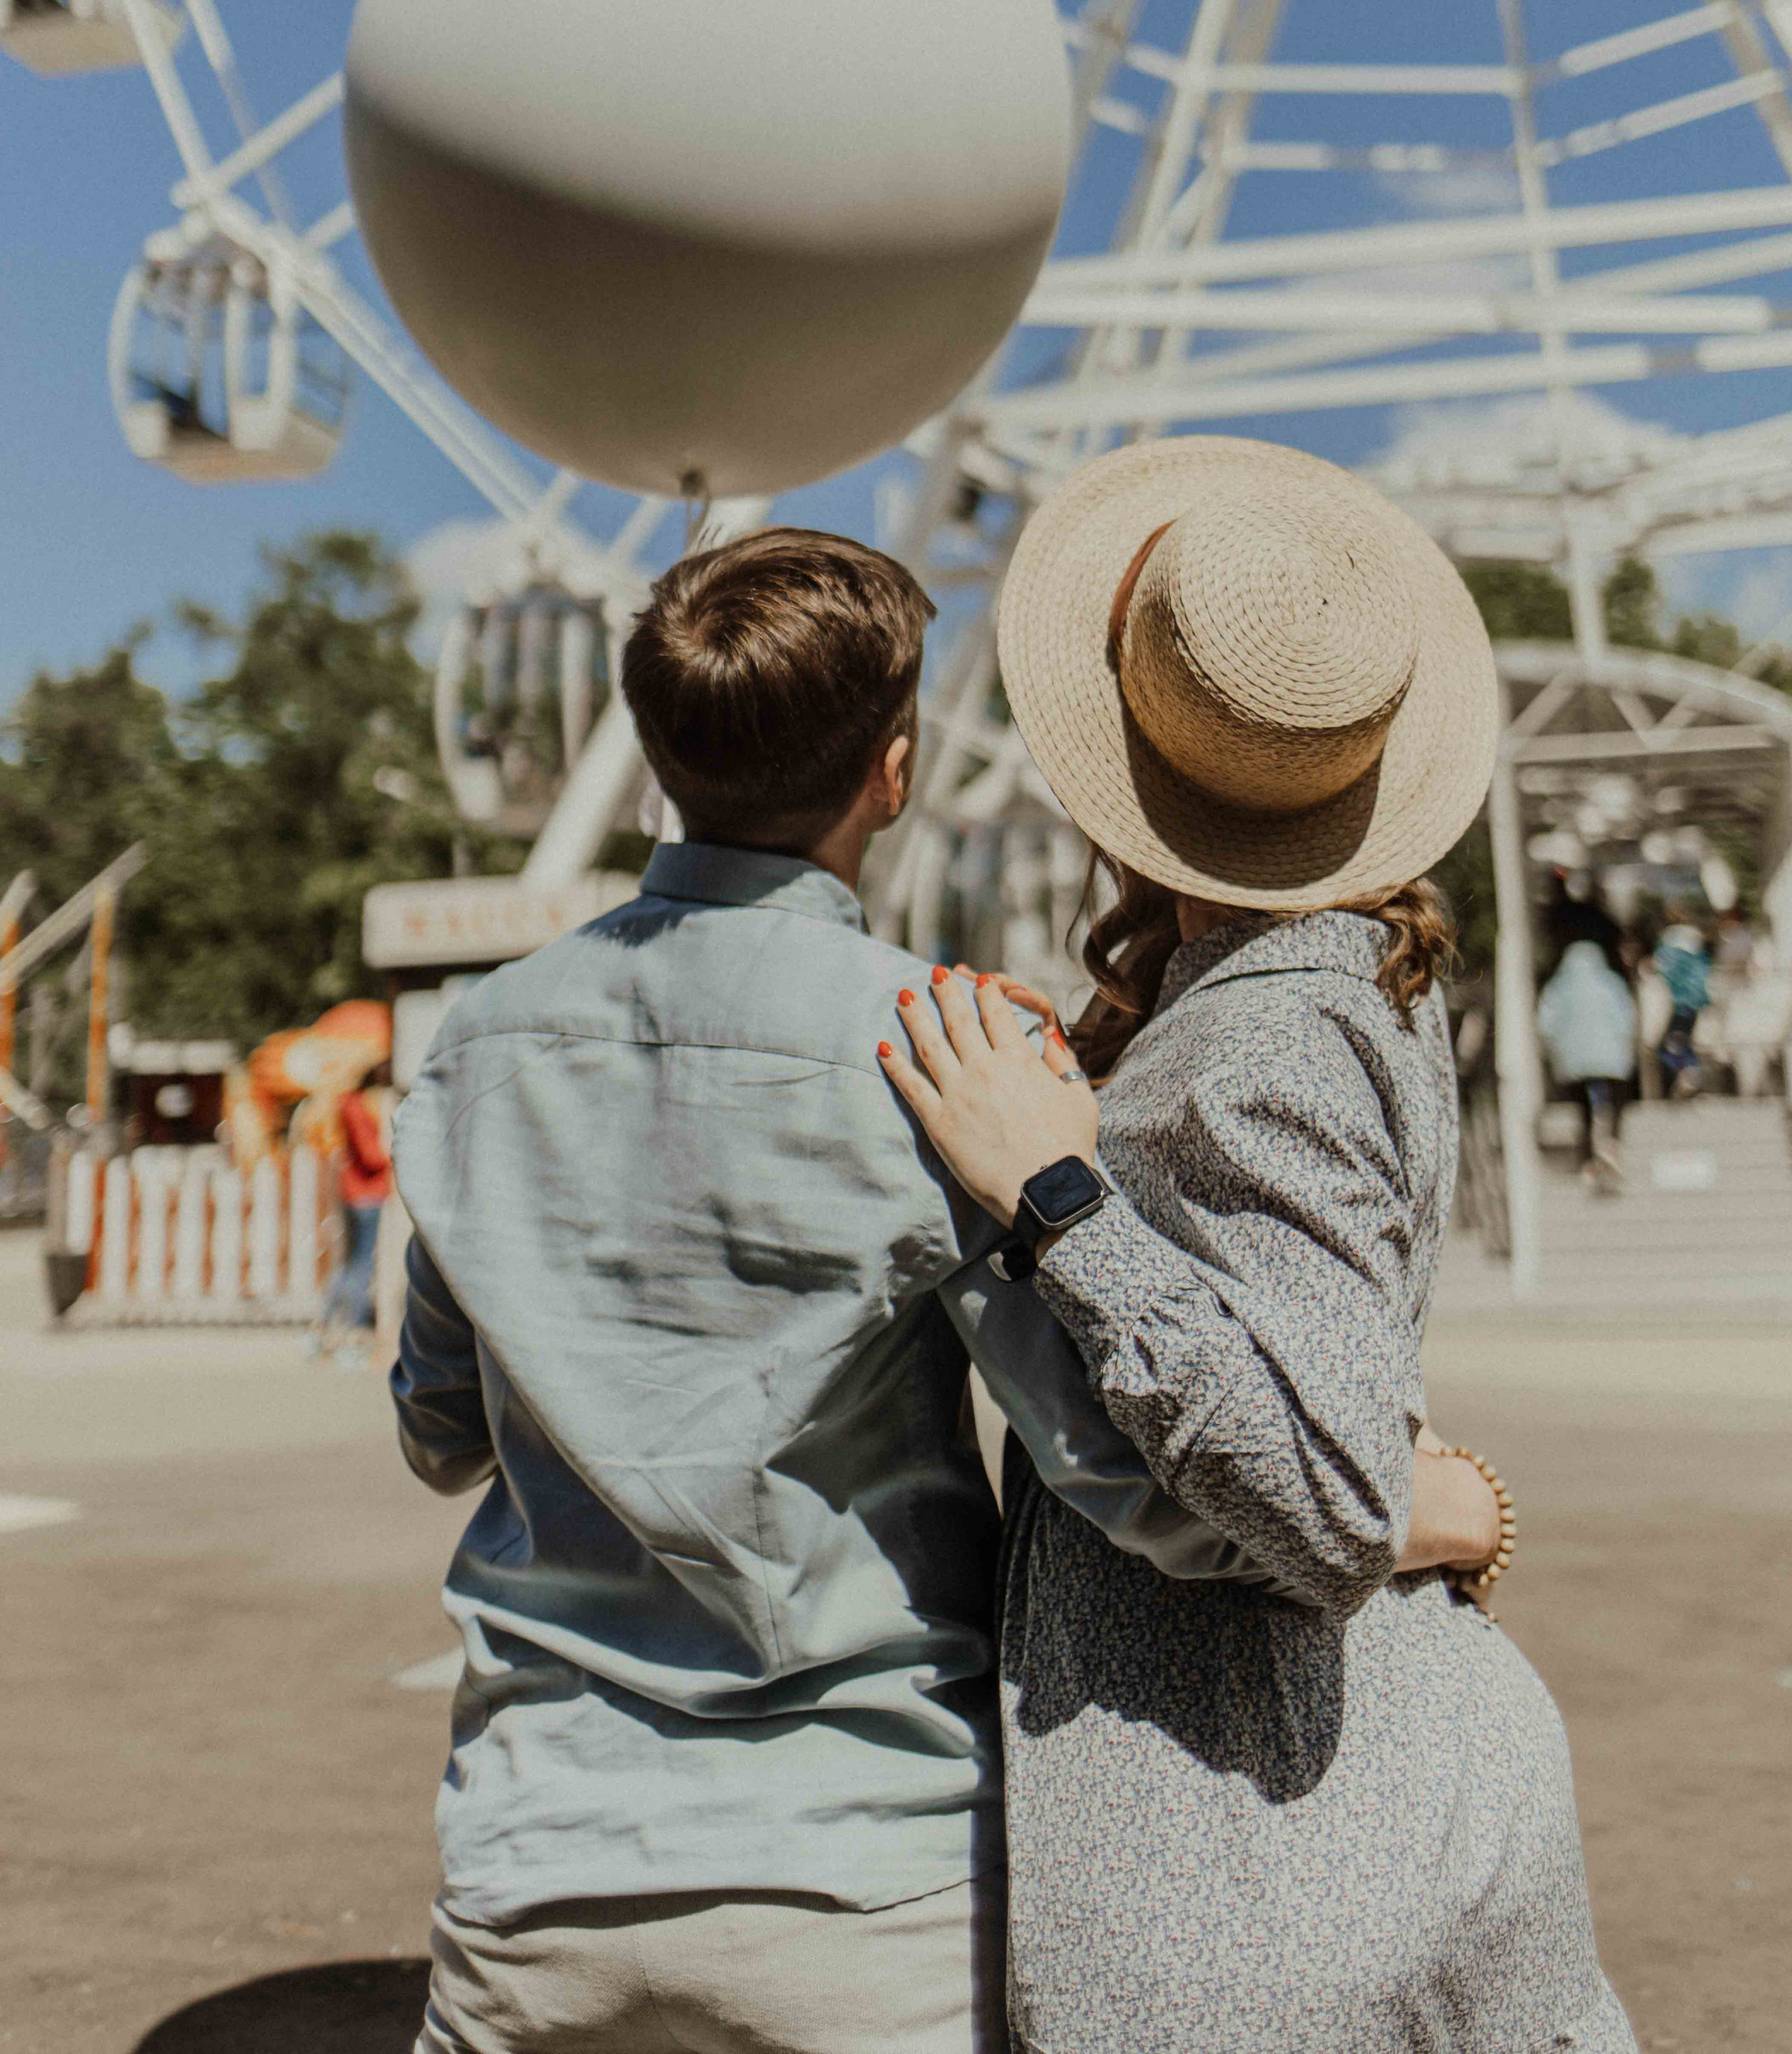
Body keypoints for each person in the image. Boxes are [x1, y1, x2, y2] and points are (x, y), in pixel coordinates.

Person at [388, 525, 1499, 2054]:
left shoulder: (476, 1041)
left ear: (653, 754)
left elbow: (441, 1428)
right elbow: (1120, 1477)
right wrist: (1378, 1503)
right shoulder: (945, 1050)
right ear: (894, 770)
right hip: (864, 1867)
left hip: (536, 1853)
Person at [877, 437, 1636, 2054]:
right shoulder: (1346, 981)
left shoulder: (1263, 1047)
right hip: (1374, 1812)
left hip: (1257, 1856)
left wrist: (1054, 1201)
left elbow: (1324, 1491)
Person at [1537, 936, 1640, 1191]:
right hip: (1611, 1058)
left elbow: (1545, 1024)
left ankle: (1587, 1158)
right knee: (1616, 1102)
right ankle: (1612, 1144)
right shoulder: (1611, 984)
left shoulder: (1559, 987)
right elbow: (1627, 1018)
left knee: (1584, 1109)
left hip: (1576, 1061)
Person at [316, 1076, 393, 1362]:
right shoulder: (356, 1107)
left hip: (355, 1192)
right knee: (360, 1265)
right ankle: (351, 1330)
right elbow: (371, 1155)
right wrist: (395, 1154)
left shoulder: (347, 1105)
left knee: (350, 1263)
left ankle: (327, 1325)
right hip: (366, 1194)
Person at [1654, 913, 1713, 1098]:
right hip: (1695, 1000)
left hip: (1677, 1001)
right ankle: (1690, 1078)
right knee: (1682, 1041)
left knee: (1673, 1044)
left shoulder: (1670, 944)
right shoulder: (1696, 944)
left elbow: (1665, 969)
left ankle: (1690, 1078)